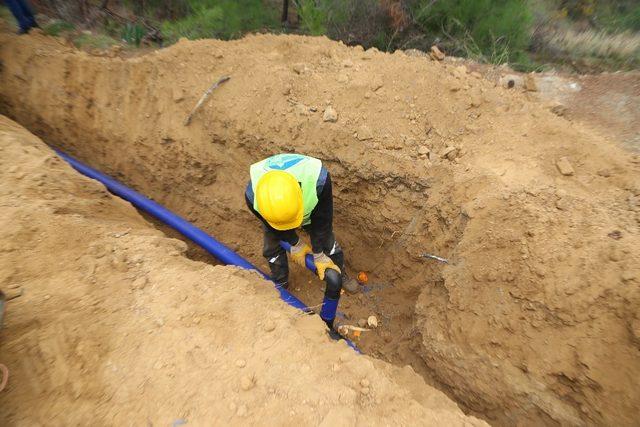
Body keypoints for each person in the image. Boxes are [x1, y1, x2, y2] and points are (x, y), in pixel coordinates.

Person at [245, 154, 358, 334]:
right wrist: (294, 242)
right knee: (272, 245)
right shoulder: (254, 196)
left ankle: (339, 274)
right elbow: (270, 225)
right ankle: (280, 285)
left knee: (327, 240)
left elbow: (322, 223)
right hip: (276, 215)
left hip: (312, 206)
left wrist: (319, 254)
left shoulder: (318, 181)